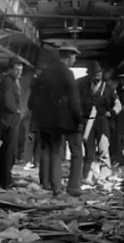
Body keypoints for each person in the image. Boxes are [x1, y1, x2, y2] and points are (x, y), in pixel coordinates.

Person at [28, 45, 83, 197]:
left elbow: (32, 101)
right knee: (76, 152)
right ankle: (73, 186)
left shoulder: (44, 74)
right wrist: (79, 118)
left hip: (46, 120)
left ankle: (55, 187)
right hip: (65, 120)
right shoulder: (67, 73)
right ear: (69, 56)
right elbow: (73, 99)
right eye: (74, 57)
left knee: (53, 152)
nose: (75, 60)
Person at [79, 61, 121, 182]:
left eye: (99, 74)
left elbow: (117, 104)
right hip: (87, 120)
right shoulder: (81, 85)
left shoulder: (108, 88)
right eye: (94, 74)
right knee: (89, 150)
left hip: (102, 119)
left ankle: (105, 175)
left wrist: (112, 112)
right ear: (89, 75)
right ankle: (87, 176)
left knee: (104, 148)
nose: (97, 76)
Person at [0, 58, 23, 189]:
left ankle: (0, 179)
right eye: (16, 69)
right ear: (10, 69)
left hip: (7, 120)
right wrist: (17, 110)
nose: (19, 72)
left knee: (4, 150)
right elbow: (8, 101)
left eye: (21, 70)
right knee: (9, 151)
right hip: (8, 120)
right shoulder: (8, 82)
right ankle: (6, 180)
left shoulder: (10, 81)